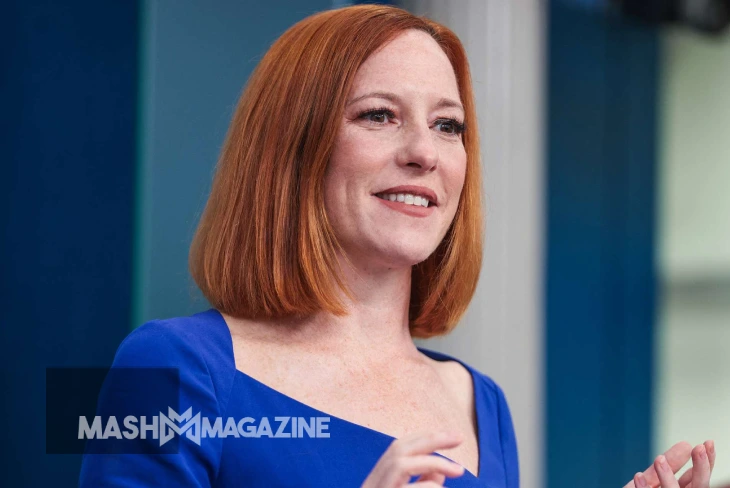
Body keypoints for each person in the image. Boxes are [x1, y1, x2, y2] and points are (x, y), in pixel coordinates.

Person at [78, 5, 715, 487]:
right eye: (379, 115)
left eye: (448, 125)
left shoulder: (479, 400)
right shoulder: (163, 366)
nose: (423, 152)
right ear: (294, 150)